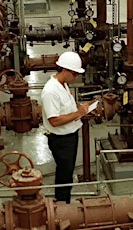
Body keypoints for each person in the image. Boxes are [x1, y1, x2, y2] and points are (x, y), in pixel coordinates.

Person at [41, 51, 89, 203]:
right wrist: (78, 113)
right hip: (61, 140)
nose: (75, 77)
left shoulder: (64, 84)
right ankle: (62, 205)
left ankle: (64, 200)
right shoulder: (50, 91)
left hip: (69, 136)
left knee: (67, 172)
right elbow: (54, 120)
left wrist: (78, 110)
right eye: (74, 74)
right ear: (65, 70)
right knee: (64, 174)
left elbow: (65, 108)